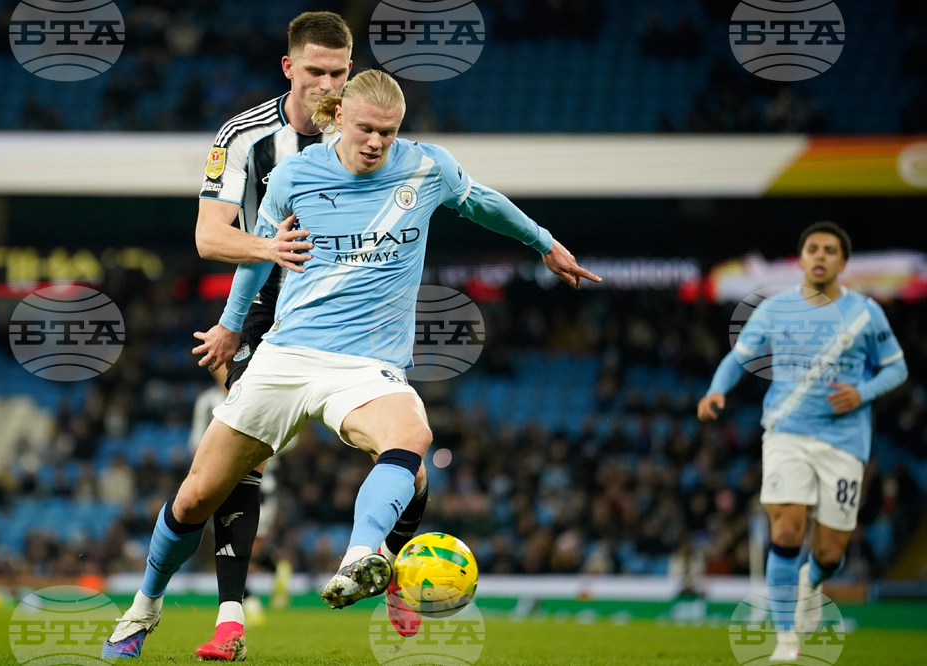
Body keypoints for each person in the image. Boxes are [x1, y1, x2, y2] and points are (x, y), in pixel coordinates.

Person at [102, 68, 598, 659]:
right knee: (194, 499)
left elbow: (483, 202)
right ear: (338, 117)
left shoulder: (426, 167)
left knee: (412, 438)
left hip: (366, 365)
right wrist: (232, 327)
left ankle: (364, 558)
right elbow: (259, 259)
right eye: (366, 129)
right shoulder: (294, 176)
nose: (377, 143)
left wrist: (544, 243)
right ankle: (144, 607)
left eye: (389, 132)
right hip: (286, 356)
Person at [187, 11, 430, 658]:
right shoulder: (244, 137)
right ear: (289, 67)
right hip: (267, 306)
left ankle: (391, 572)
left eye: (339, 72)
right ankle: (230, 618)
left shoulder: (368, 133)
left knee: (407, 458)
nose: (327, 84)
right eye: (316, 71)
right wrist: (239, 308)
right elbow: (210, 237)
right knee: (244, 464)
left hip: (353, 318)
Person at [698, 221, 908, 662]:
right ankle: (786, 638)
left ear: (843, 262)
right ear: (801, 259)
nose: (820, 256)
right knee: (787, 529)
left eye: (830, 250)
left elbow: (896, 368)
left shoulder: (866, 313)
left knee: (830, 553)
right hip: (786, 434)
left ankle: (812, 579)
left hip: (844, 442)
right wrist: (716, 389)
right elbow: (739, 358)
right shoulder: (775, 309)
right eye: (813, 249)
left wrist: (862, 393)